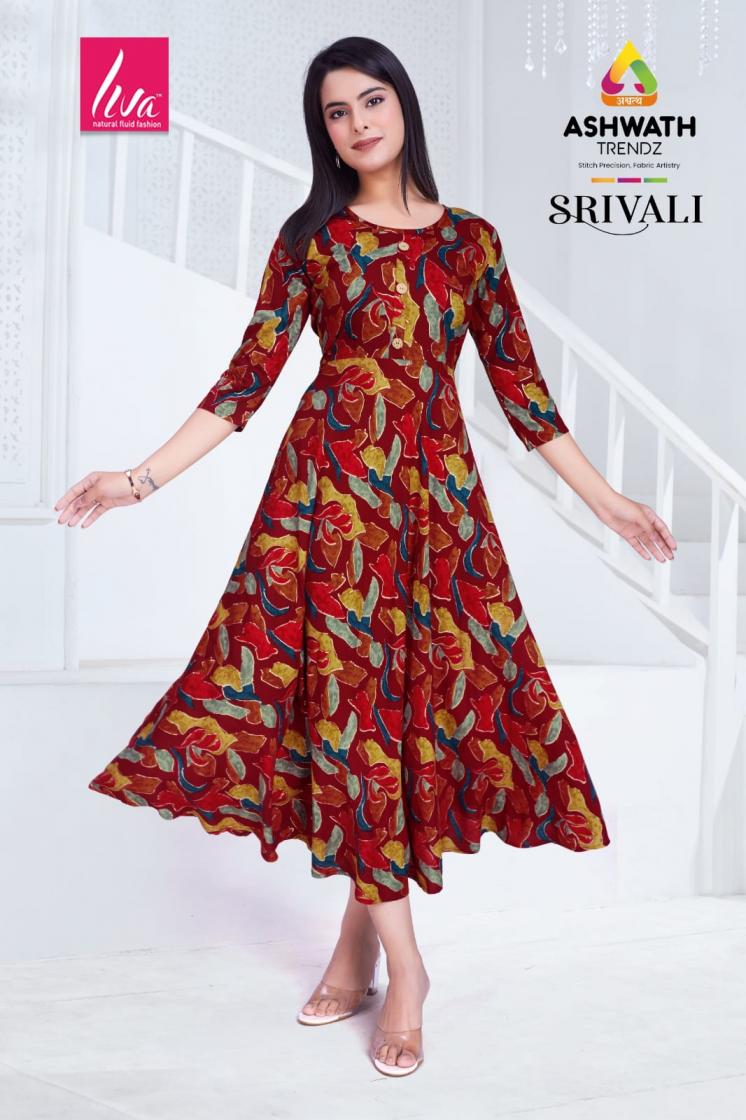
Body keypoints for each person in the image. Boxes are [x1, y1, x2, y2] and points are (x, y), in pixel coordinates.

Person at [55, 36, 676, 1078]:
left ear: (403, 105)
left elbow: (522, 393)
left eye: (370, 100)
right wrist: (138, 479)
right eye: (335, 114)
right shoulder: (313, 239)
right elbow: (245, 380)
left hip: (435, 511)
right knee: (347, 717)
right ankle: (408, 966)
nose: (356, 124)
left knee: (405, 722)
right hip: (326, 507)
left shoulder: (470, 243)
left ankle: (353, 949)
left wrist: (609, 505)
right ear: (326, 135)